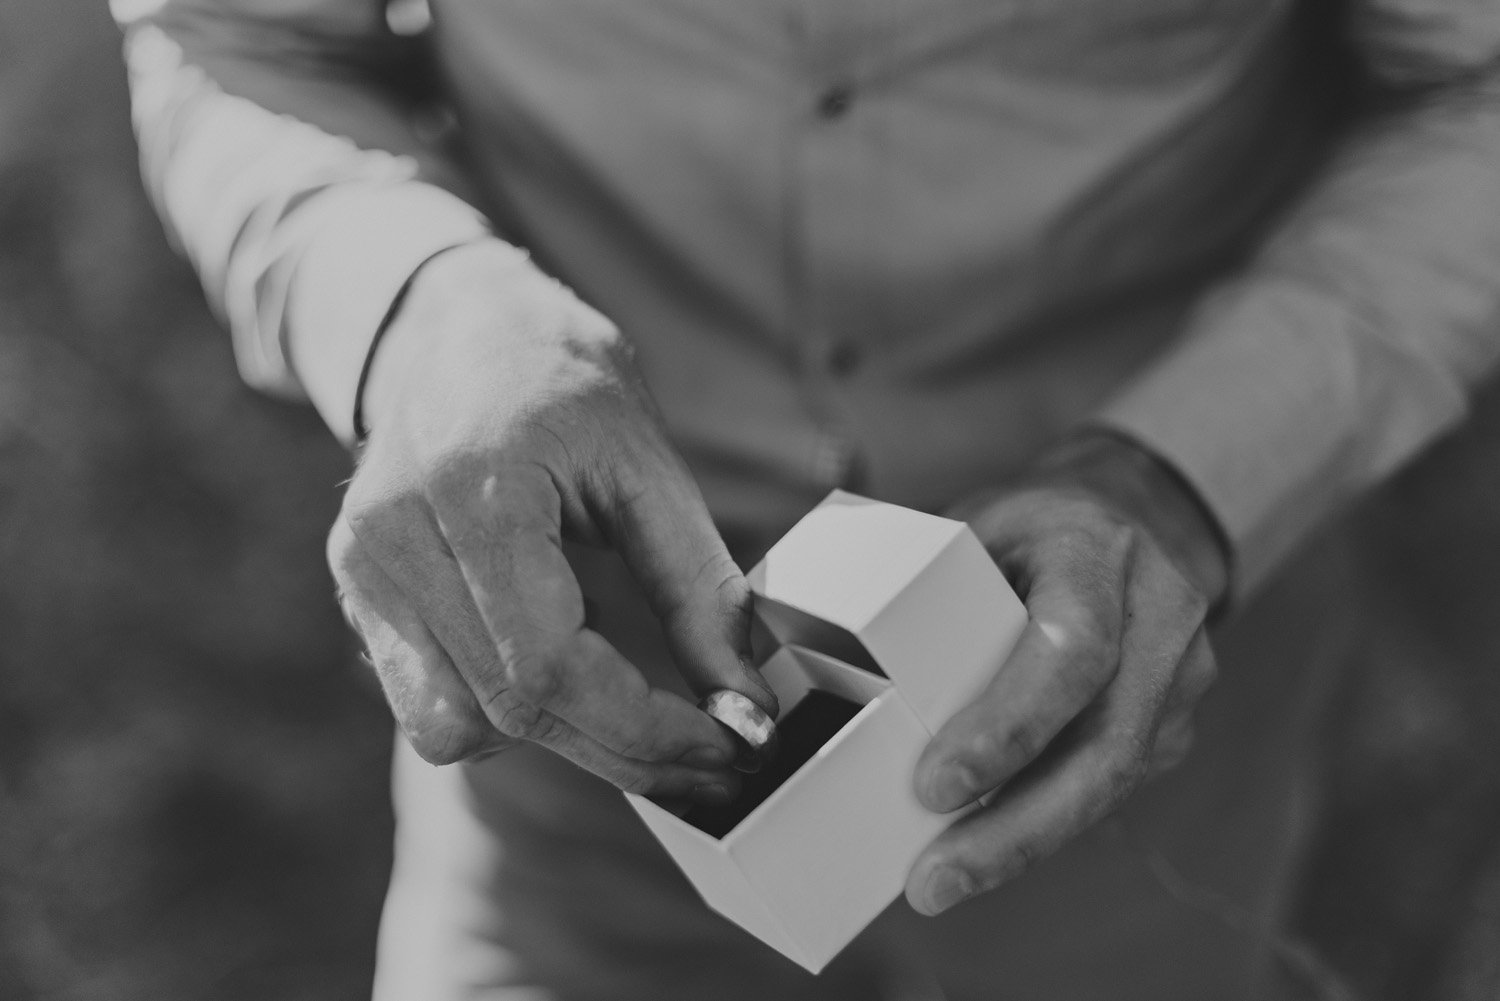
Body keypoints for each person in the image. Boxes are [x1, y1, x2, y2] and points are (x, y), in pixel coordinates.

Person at [113, 0, 1500, 997]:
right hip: (586, 682)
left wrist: (1189, 472)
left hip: (1120, 680)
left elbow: (1474, 88)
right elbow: (239, 35)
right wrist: (426, 312)